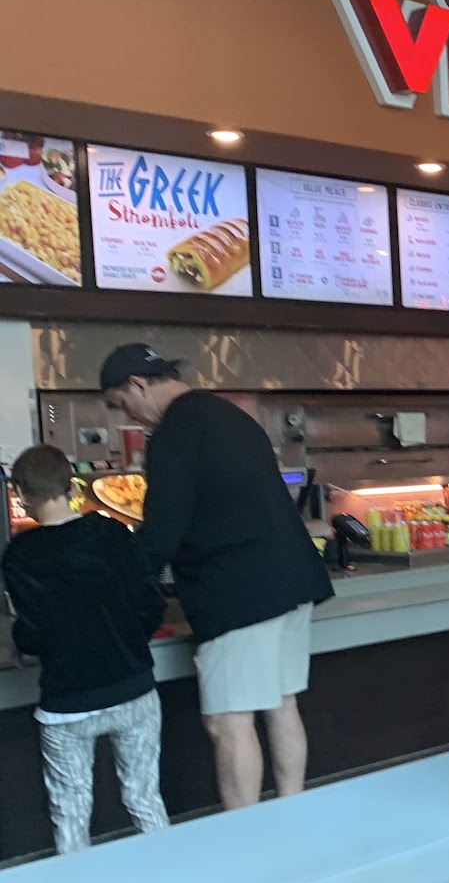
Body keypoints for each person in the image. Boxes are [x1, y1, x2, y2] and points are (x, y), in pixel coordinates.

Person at [100, 343, 334, 811]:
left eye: (122, 404)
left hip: (239, 590)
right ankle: (293, 817)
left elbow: (164, 529)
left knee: (229, 720)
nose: (129, 417)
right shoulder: (229, 415)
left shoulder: (173, 433)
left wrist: (118, 582)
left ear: (138, 385)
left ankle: (243, 836)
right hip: (291, 579)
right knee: (281, 704)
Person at [2, 442, 169, 854]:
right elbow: (150, 604)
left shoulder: (20, 556)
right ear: (71, 486)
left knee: (72, 810)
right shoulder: (113, 532)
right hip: (133, 691)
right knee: (144, 798)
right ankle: (171, 875)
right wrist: (126, 638)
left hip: (68, 704)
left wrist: (18, 643)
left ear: (22, 494)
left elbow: (36, 633)